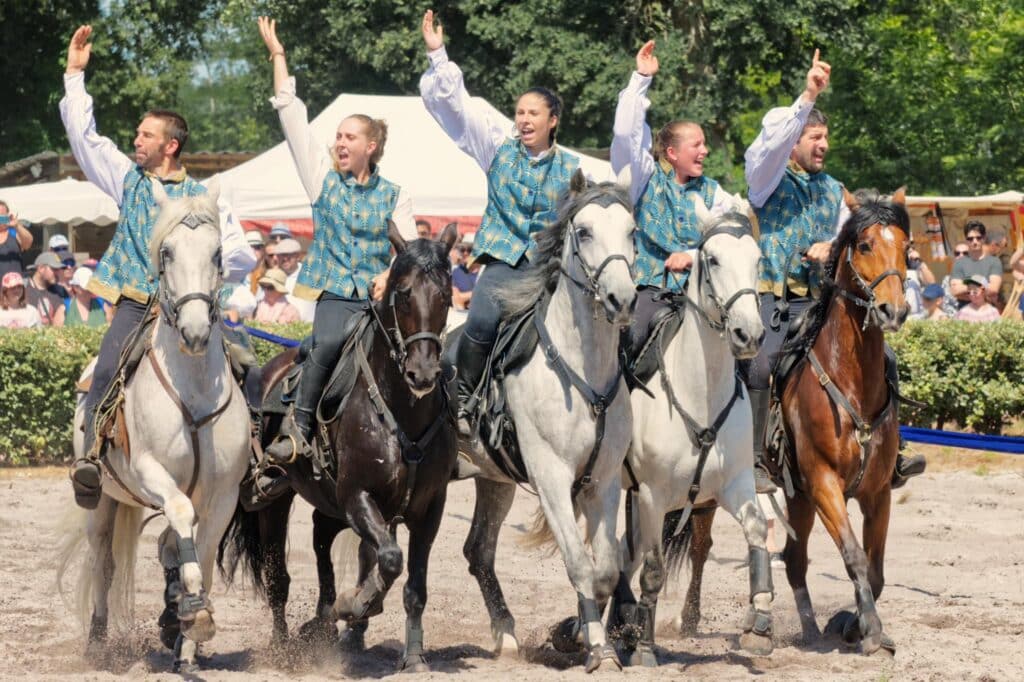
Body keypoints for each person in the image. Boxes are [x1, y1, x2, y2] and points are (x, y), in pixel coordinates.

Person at [61, 25, 256, 508]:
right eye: (138, 134)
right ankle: (91, 459)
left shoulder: (206, 197)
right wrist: (74, 75)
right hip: (137, 303)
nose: (136, 140)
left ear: (171, 145)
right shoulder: (128, 180)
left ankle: (255, 458)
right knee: (106, 370)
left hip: (192, 308)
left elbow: (238, 253)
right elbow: (84, 139)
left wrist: (204, 281)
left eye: (146, 135)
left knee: (248, 368)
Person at [743, 49, 924, 490]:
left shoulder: (834, 191)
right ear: (794, 142)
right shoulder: (767, 179)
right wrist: (808, 95)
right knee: (763, 364)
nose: (823, 145)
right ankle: (752, 461)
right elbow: (769, 148)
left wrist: (834, 245)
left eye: (826, 137)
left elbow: (858, 246)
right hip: (775, 301)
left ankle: (891, 457)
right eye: (815, 137)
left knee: (888, 360)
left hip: (821, 304)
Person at [257, 16, 416, 464]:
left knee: (423, 352)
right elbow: (291, 115)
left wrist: (389, 275)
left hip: (382, 301)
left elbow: (413, 254)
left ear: (372, 145)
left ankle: (441, 431)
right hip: (336, 297)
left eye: (350, 136)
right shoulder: (321, 179)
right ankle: (299, 427)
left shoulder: (397, 195)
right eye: (338, 136)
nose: (339, 142)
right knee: (325, 344)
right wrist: (278, 56)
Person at [420, 9, 593, 413]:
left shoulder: (574, 170)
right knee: (479, 321)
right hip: (502, 261)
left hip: (548, 270)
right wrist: (438, 56)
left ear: (553, 120)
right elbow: (458, 108)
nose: (524, 119)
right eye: (519, 112)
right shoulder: (495, 147)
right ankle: (464, 401)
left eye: (533, 113)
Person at [611, 40, 746, 355]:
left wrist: (692, 254)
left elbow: (735, 238)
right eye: (696, 145)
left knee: (747, 360)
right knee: (630, 340)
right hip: (649, 291)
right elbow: (625, 136)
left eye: (704, 144)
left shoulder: (715, 193)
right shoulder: (644, 178)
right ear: (671, 153)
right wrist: (640, 80)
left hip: (704, 295)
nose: (705, 151)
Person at [950, 221, 1002, 307]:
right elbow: (955, 290)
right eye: (970, 239)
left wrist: (967, 285)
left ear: (984, 238)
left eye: (978, 238)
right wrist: (982, 287)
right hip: (965, 312)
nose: (974, 241)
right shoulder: (959, 263)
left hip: (987, 312)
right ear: (966, 240)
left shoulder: (994, 261)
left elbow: (994, 289)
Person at [25, 253, 67, 326]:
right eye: (54, 269)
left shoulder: (59, 291)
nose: (57, 273)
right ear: (41, 268)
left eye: (58, 270)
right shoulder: (22, 289)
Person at [0, 201, 33, 279]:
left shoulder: (13, 232)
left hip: (13, 288)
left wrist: (17, 226)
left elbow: (28, 244)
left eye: (1, 217)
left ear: (7, 216)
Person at [451, 232, 477, 311]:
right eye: (462, 249)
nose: (465, 253)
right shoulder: (456, 272)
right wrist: (478, 294)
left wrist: (465, 296)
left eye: (469, 249)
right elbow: (456, 299)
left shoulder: (486, 271)